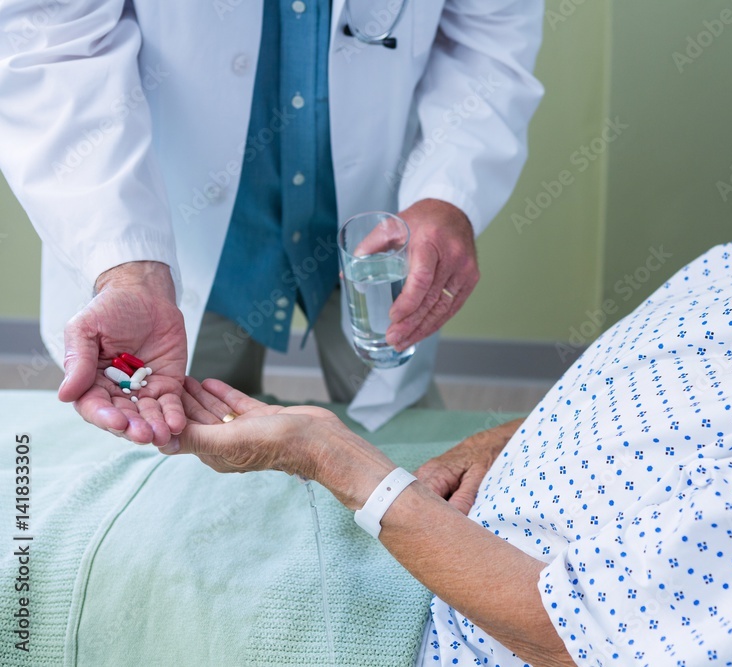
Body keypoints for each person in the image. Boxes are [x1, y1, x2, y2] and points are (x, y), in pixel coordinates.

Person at [167, 0, 732, 664]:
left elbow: (590, 640)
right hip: (438, 532)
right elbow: (673, 397)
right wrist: (507, 437)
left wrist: (336, 459)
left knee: (89, 560)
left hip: (432, 628)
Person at [0, 0, 544, 443]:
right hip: (177, 224)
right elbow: (53, 46)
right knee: (184, 439)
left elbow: (489, 38)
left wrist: (447, 193)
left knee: (402, 435)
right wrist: (129, 265)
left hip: (373, 224)